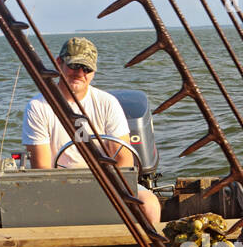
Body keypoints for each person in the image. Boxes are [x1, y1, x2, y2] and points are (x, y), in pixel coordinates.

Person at [21, 36, 162, 227]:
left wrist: (106, 191)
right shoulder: (38, 107)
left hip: (109, 183)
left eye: (87, 68)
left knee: (150, 205)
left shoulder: (108, 103)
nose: (80, 73)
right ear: (59, 63)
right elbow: (43, 170)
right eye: (75, 65)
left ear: (93, 72)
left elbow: (124, 161)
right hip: (59, 186)